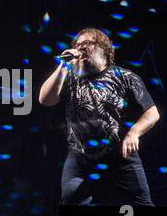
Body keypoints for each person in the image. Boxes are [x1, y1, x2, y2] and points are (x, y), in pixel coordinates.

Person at [39, 28, 160, 206]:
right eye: (77, 45)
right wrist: (63, 66)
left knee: (141, 203)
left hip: (120, 156)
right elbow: (45, 100)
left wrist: (134, 132)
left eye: (86, 44)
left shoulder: (125, 77)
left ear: (103, 48)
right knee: (70, 200)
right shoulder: (70, 76)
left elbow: (152, 113)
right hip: (80, 158)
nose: (80, 48)